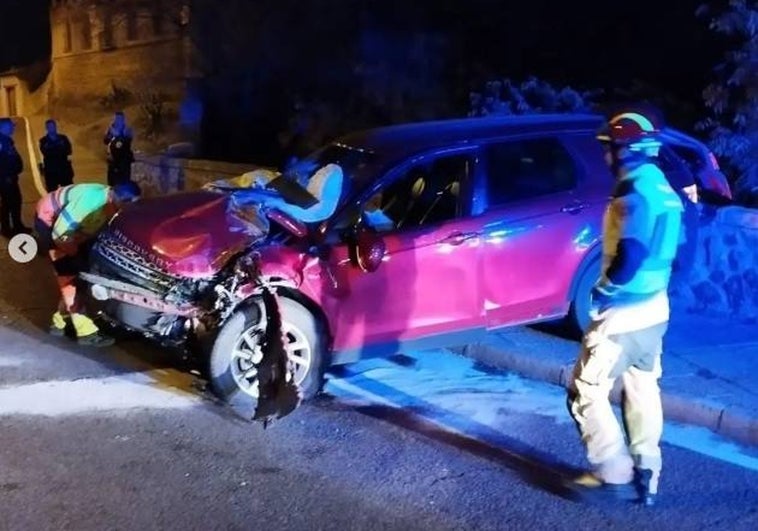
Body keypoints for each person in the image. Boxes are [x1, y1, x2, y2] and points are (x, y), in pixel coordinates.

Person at [566, 111, 684, 506]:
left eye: (610, 149)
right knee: (642, 386)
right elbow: (686, 246)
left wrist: (606, 289)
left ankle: (613, 472)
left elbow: (631, 252)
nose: (606, 158)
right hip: (656, 312)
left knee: (586, 391)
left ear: (626, 151)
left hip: (623, 316)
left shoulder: (632, 193)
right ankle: (647, 472)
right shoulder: (664, 189)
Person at [34, 181, 141, 347]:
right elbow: (60, 234)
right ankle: (86, 332)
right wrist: (73, 254)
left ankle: (59, 322)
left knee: (79, 274)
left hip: (74, 230)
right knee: (70, 278)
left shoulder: (111, 203)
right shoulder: (90, 202)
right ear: (117, 199)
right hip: (50, 223)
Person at [0, 117, 30, 237]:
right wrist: (5, 176)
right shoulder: (1, 142)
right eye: (11, 126)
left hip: (10, 178)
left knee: (11, 203)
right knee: (10, 202)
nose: (13, 128)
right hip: (5, 179)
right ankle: (8, 228)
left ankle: (15, 226)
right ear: (4, 127)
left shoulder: (6, 140)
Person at [39, 119, 74, 192]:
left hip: (64, 170)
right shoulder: (43, 141)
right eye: (49, 127)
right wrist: (59, 149)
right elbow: (46, 153)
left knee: (67, 192)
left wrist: (54, 149)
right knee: (52, 194)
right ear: (47, 128)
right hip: (51, 172)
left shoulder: (63, 138)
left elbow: (69, 150)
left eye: (53, 126)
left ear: (56, 127)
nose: (52, 128)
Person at [103, 111, 134, 186]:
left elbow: (126, 142)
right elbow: (105, 141)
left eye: (120, 119)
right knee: (112, 183)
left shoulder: (127, 130)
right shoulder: (110, 129)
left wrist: (118, 136)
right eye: (116, 119)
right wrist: (110, 134)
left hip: (123, 162)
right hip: (112, 162)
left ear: (123, 120)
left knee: (124, 182)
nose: (118, 121)